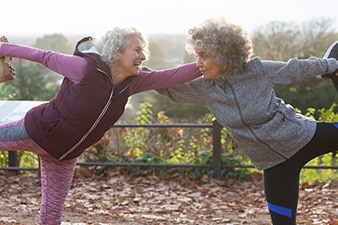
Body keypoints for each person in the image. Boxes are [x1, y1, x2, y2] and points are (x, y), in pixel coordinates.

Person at [0, 27, 201, 225]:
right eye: (137, 50)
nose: (143, 56)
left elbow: (171, 76)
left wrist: (205, 64)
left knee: (52, 216)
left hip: (64, 155)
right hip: (37, 130)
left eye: (143, 50)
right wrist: (2, 49)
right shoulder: (83, 68)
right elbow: (42, 56)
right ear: (116, 51)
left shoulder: (132, 83)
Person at [158, 17, 338, 225]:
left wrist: (331, 64)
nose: (198, 63)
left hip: (304, 136)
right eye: (197, 56)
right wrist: (135, 75)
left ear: (225, 55)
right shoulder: (204, 89)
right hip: (274, 164)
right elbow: (168, 88)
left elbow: (295, 69)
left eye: (204, 56)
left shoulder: (255, 71)